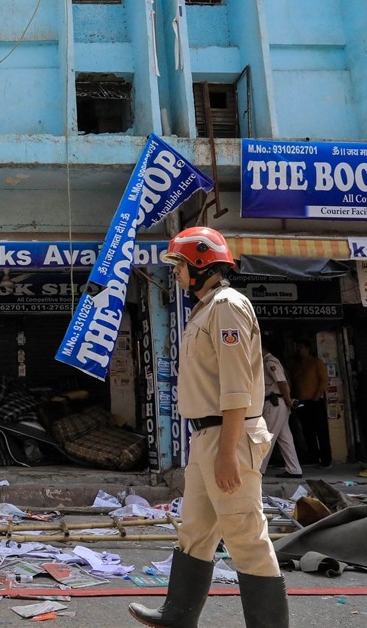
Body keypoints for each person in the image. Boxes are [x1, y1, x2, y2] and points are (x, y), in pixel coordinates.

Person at [129, 226, 289, 628]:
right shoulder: (208, 307)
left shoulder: (227, 306)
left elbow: (236, 388)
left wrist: (226, 453)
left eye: (180, 265)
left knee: (246, 537)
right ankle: (177, 616)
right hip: (209, 434)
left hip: (227, 435)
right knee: (196, 530)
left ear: (201, 264)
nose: (176, 273)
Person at [260, 344, 302, 479]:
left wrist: (288, 400)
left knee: (267, 437)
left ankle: (258, 469)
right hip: (278, 403)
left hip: (275, 403)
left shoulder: (270, 361)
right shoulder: (267, 361)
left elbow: (282, 382)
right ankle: (294, 469)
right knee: (285, 438)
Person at [291, 339, 331, 468]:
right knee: (307, 431)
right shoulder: (298, 365)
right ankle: (313, 456)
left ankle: (326, 459)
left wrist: (317, 395)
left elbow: (324, 380)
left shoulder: (316, 362)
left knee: (321, 431)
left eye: (301, 347)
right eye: (297, 347)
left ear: (308, 349)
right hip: (302, 401)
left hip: (315, 400)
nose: (299, 350)